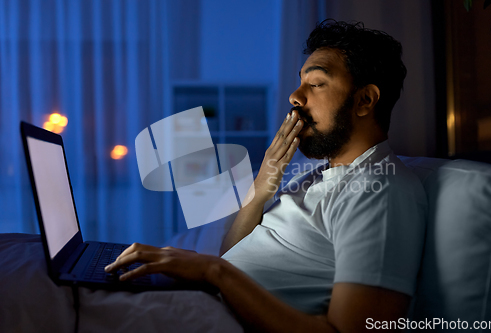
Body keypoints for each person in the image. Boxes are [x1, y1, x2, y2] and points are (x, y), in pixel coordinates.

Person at [105, 20, 426, 332]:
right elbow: (230, 255)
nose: (295, 97)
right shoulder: (317, 175)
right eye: (300, 82)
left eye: (315, 84)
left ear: (365, 100)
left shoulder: (378, 191)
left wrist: (212, 271)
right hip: (194, 306)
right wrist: (261, 190)